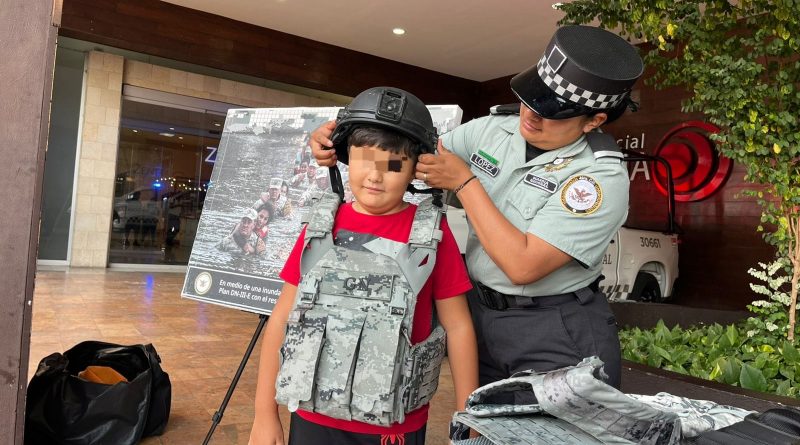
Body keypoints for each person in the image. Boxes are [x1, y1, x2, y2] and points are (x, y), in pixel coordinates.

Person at [309, 25, 644, 394]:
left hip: (553, 330)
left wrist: (465, 183)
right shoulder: (493, 129)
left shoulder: (598, 179)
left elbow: (523, 265)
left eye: (551, 110)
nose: (531, 114)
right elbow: (409, 160)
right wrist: (345, 141)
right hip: (481, 314)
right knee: (483, 429)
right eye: (531, 97)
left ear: (593, 121)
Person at [249, 87, 477, 445]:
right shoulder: (320, 225)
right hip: (312, 413)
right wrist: (265, 414)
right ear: (345, 158)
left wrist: (469, 420)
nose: (375, 175)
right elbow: (282, 317)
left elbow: (459, 326)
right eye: (364, 159)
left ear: (415, 167)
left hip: (395, 426)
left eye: (393, 164)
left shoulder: (432, 233)